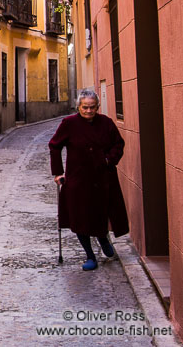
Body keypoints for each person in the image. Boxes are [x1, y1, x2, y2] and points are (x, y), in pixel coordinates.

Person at [49, 89, 129, 271]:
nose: (88, 111)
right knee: (79, 217)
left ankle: (103, 239)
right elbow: (54, 146)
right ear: (78, 106)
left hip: (103, 177)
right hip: (78, 178)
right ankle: (90, 255)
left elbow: (119, 144)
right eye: (85, 107)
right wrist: (58, 173)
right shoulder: (69, 123)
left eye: (92, 107)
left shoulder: (106, 123)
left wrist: (109, 159)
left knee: (100, 212)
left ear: (98, 107)